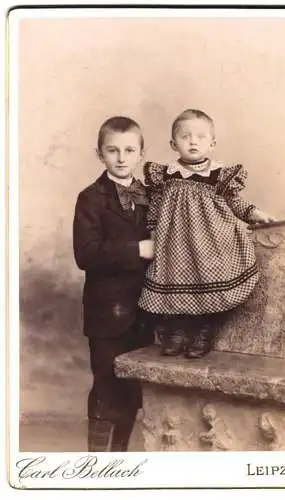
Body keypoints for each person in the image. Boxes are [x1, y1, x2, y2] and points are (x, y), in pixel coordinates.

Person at [138, 109, 275, 359]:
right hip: (175, 243)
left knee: (209, 281)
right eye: (185, 136)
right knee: (175, 281)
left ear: (211, 144)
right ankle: (178, 330)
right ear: (173, 143)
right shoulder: (164, 175)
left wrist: (255, 213)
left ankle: (204, 329)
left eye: (200, 137)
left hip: (211, 241)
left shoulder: (219, 175)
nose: (192, 141)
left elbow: (236, 202)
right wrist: (153, 234)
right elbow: (155, 208)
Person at [73, 116, 154, 452]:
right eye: (112, 150)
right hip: (106, 313)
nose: (121, 158)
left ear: (141, 154)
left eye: (129, 150)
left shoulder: (152, 195)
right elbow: (86, 254)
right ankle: (97, 462)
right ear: (99, 154)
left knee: (133, 390)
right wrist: (138, 249)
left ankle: (118, 456)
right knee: (106, 386)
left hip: (144, 310)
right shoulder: (91, 198)